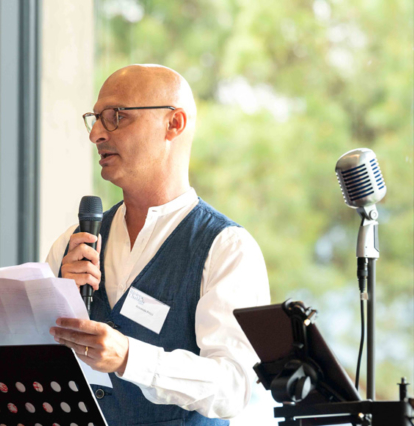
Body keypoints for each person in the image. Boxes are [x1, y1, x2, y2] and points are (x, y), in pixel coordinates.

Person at [47, 64, 270, 425]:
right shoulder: (71, 244)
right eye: (96, 119)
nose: (97, 135)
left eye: (116, 116)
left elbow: (233, 387)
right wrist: (56, 303)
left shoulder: (227, 248)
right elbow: (39, 373)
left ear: (174, 123)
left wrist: (129, 358)